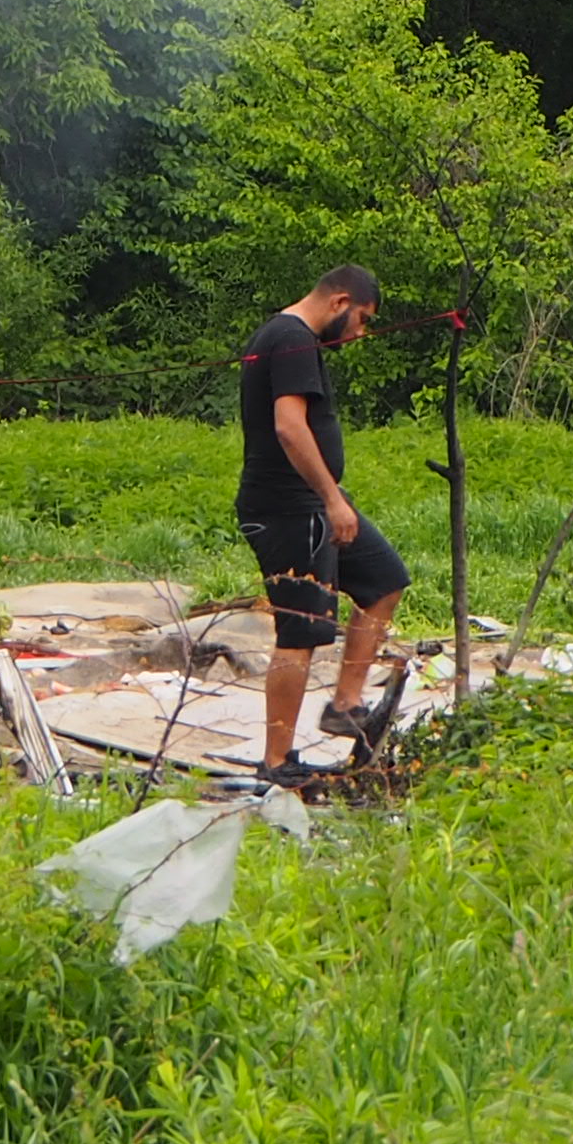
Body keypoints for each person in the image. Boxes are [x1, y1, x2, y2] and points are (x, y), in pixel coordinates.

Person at [235, 269, 403, 775]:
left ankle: (345, 705)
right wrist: (331, 498)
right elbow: (289, 428)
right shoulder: (290, 337)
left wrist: (333, 498)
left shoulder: (292, 338)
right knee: (301, 630)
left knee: (384, 580)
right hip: (288, 507)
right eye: (362, 321)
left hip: (314, 502)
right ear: (341, 301)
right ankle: (276, 759)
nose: (359, 334)